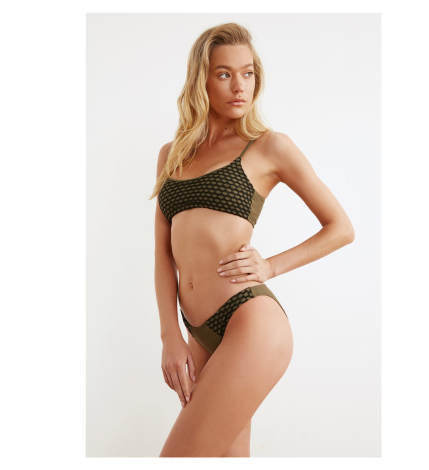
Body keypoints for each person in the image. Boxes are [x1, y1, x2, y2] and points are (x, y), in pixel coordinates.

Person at [149, 22, 355, 457]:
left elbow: (340, 227)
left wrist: (271, 266)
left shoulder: (268, 147)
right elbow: (163, 255)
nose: (240, 85)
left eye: (248, 73)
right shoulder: (172, 155)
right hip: (197, 332)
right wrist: (170, 334)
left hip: (250, 321)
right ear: (201, 80)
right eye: (224, 74)